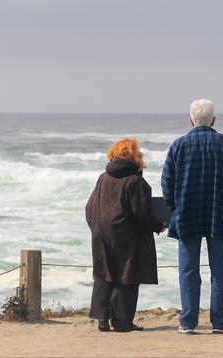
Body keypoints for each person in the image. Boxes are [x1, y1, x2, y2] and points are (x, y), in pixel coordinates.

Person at [162, 99, 223, 335]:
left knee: (188, 271)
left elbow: (167, 183)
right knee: (220, 271)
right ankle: (219, 322)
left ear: (191, 120)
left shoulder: (179, 145)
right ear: (213, 120)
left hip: (187, 214)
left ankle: (188, 323)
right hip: (219, 214)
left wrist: (174, 207)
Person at [85, 138, 165, 332]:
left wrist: (95, 226)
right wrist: (158, 226)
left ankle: (102, 319)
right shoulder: (135, 181)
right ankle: (122, 322)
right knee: (126, 275)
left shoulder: (103, 177)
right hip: (127, 234)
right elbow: (141, 213)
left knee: (104, 273)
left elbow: (89, 207)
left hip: (101, 231)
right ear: (135, 156)